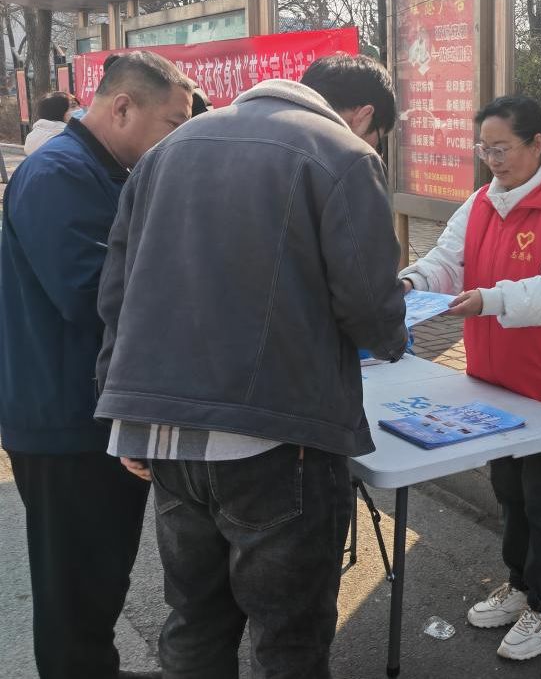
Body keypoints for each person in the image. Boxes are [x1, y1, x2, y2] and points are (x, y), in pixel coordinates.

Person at [95, 53, 407, 679]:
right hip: (276, 440)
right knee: (288, 639)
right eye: (378, 135)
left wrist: (120, 405)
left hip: (167, 437)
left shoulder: (165, 151)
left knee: (195, 622)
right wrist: (390, 340)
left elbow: (118, 294)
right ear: (363, 117)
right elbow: (369, 304)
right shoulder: (343, 154)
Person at [0, 51, 193, 679]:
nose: (178, 139)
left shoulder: (100, 169)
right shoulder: (59, 173)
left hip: (85, 408)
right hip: (65, 418)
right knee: (75, 592)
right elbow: (95, 294)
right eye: (173, 123)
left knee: (98, 579)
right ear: (123, 107)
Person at [398, 95, 541, 661]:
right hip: (494, 379)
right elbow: (448, 259)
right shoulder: (482, 201)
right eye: (484, 149)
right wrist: (412, 283)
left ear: (537, 144)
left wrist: (491, 299)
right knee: (510, 494)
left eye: (501, 148)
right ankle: (519, 585)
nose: (491, 159)